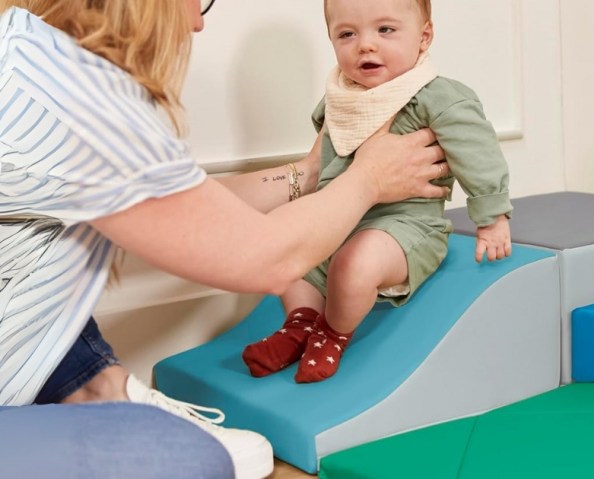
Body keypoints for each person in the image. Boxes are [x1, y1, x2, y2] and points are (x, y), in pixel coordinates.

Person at [0, 0, 448, 477]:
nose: (198, 21)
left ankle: (97, 386)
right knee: (200, 464)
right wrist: (368, 180)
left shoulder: (30, 51)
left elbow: (178, 209)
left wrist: (310, 173)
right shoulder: (74, 99)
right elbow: (262, 258)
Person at [241, 0, 512, 384]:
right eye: (347, 34)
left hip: (405, 225)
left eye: (385, 30)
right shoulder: (342, 97)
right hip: (341, 218)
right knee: (290, 249)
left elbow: (478, 152)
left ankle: (332, 333)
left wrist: (492, 216)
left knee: (356, 261)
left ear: (424, 37)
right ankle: (301, 322)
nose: (365, 45)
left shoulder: (437, 96)